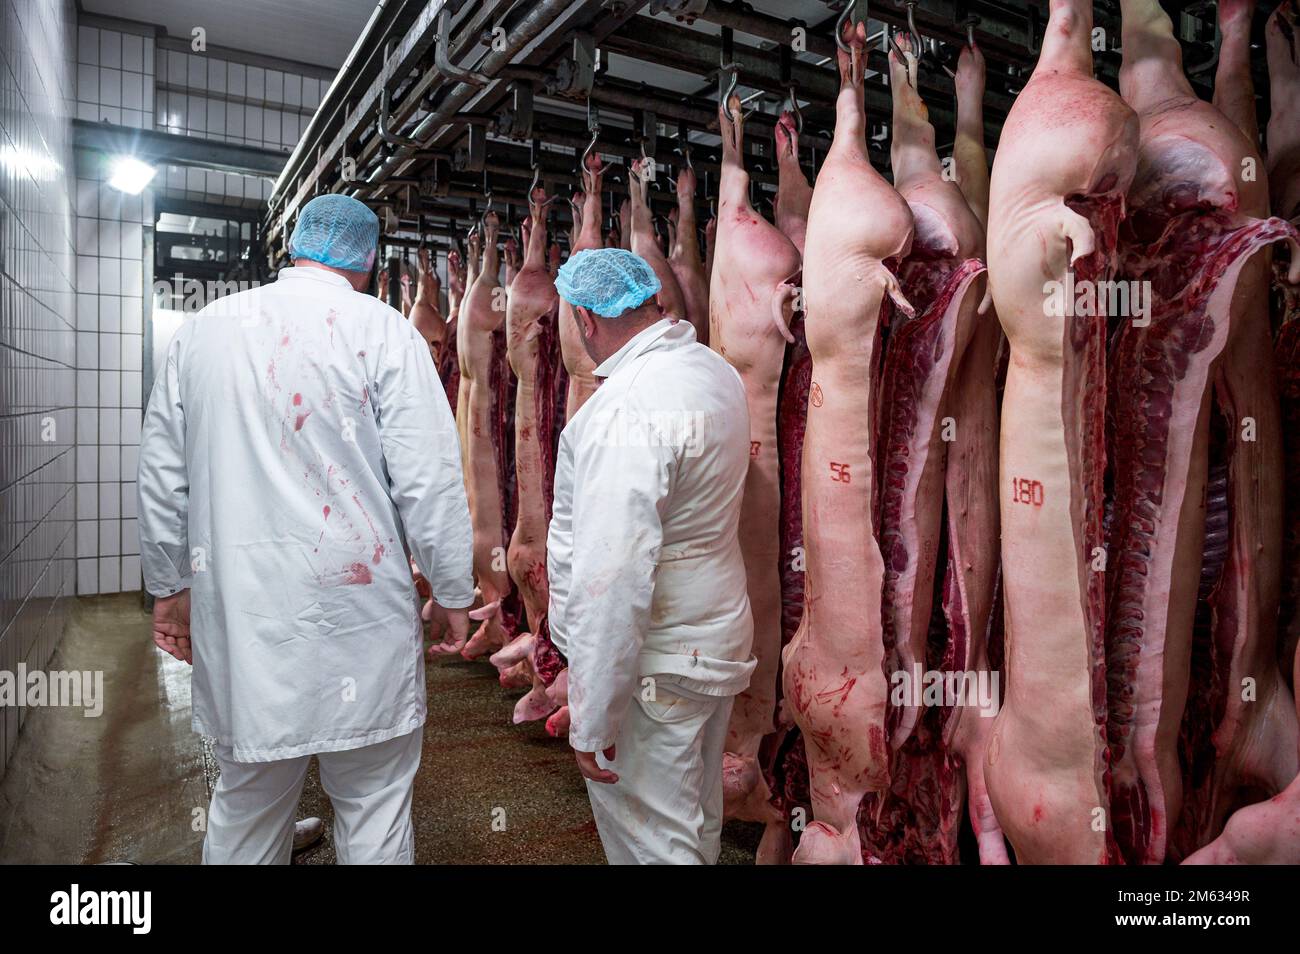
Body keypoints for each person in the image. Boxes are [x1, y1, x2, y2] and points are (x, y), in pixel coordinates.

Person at [138, 194, 474, 865]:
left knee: (246, 802)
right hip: (361, 619)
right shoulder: (385, 333)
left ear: (295, 247)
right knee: (374, 807)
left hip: (246, 619)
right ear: (369, 260)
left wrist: (169, 586)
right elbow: (429, 481)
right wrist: (455, 593)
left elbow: (160, 474)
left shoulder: (205, 330)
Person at [547, 247, 755, 864]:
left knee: (655, 845)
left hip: (654, 663)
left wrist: (591, 714)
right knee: (696, 826)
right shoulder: (715, 372)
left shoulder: (624, 408)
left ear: (586, 320)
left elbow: (614, 575)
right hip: (712, 640)